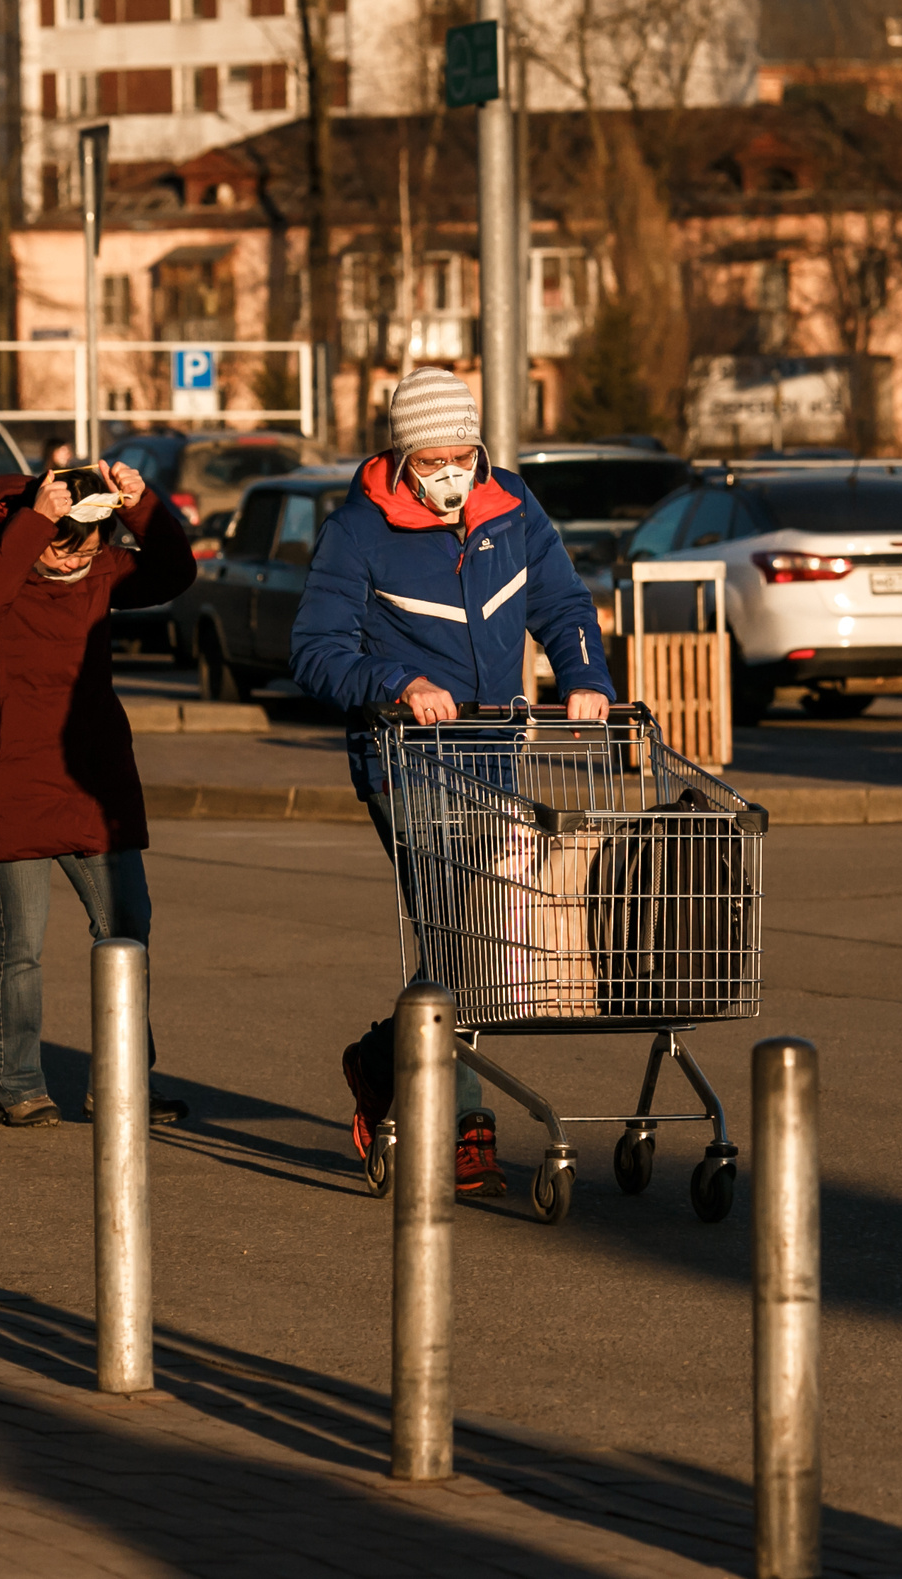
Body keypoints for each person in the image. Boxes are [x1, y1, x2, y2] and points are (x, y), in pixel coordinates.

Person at [292, 366, 617, 1195]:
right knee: (465, 940)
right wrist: (398, 681)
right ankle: (468, 1127)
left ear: (480, 448)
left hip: (493, 760)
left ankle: (377, 1061)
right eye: (431, 459)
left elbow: (564, 604)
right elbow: (316, 651)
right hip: (406, 764)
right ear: (403, 458)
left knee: (480, 940)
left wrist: (585, 674)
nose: (449, 474)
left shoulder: (511, 509)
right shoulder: (358, 531)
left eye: (461, 455)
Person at [0, 463, 197, 1127]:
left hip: (89, 774)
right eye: (77, 542)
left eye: (100, 540)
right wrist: (31, 523)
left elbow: (174, 573)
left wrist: (145, 507)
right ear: (45, 533)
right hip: (10, 780)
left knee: (128, 927)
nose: (91, 556)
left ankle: (122, 1081)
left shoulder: (104, 570)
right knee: (19, 941)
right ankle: (20, 1085)